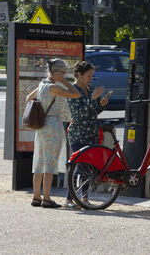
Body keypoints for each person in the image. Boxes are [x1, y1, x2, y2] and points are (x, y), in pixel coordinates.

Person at [26, 58, 81, 208]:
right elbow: (76, 94)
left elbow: (28, 98)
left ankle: (36, 196)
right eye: (63, 73)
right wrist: (65, 82)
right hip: (52, 125)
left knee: (39, 161)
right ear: (55, 72)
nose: (65, 75)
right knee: (50, 163)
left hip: (41, 127)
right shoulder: (53, 88)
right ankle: (47, 198)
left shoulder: (42, 84)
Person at [64, 61, 109, 208]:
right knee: (80, 165)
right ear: (79, 75)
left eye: (92, 75)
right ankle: (69, 200)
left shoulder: (89, 89)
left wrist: (100, 105)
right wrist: (92, 98)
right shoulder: (72, 90)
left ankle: (83, 199)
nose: (91, 78)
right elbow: (78, 113)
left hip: (91, 133)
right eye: (89, 75)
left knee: (87, 167)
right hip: (78, 134)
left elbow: (93, 111)